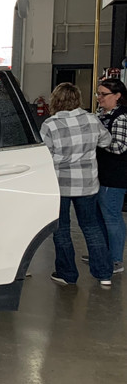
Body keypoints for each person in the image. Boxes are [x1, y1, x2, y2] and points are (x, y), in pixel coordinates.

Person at [40, 82, 114, 287]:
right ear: (77, 99)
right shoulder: (92, 120)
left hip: (59, 184)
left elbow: (45, 156)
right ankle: (104, 274)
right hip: (87, 184)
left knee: (61, 229)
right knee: (91, 227)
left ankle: (67, 274)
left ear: (56, 100)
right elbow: (106, 142)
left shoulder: (50, 124)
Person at [92, 78, 127, 274]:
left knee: (112, 217)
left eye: (103, 94)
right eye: (98, 94)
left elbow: (119, 147)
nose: (99, 98)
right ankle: (103, 253)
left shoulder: (121, 117)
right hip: (100, 174)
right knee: (100, 217)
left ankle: (115, 259)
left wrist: (97, 141)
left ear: (117, 96)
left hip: (114, 176)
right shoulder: (100, 115)